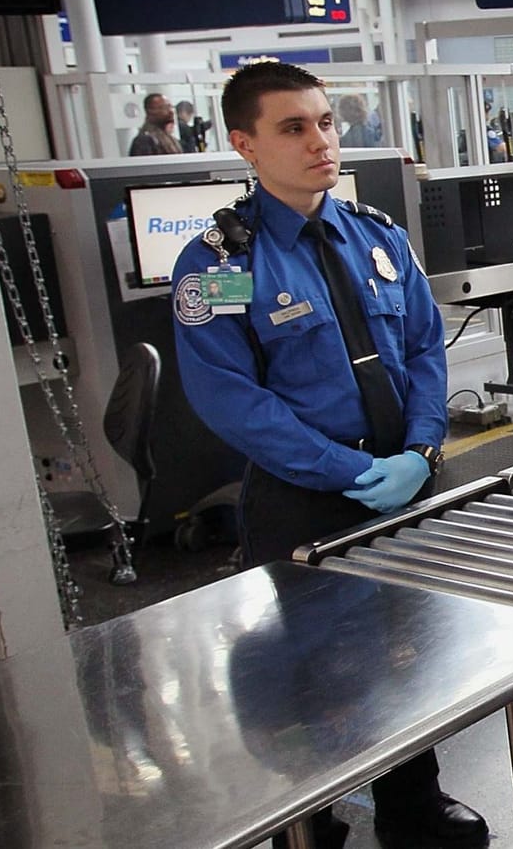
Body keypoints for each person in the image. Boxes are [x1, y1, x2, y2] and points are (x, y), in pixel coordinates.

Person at [169, 62, 485, 849]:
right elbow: (232, 399)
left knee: (408, 651)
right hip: (303, 496)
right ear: (244, 143)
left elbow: (422, 347)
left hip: (402, 482)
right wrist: (347, 472)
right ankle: (307, 821)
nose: (320, 141)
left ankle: (414, 802)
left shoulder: (377, 235)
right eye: (293, 128)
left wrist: (420, 448)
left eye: (325, 122)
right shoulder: (222, 267)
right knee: (312, 670)